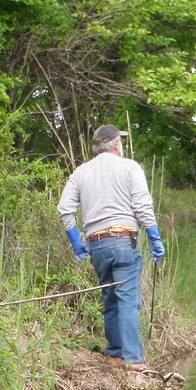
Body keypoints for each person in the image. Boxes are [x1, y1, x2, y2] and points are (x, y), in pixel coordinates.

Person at [57, 124, 165, 372]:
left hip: (97, 245)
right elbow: (142, 205)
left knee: (110, 298)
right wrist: (155, 237)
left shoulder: (80, 172)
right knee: (128, 300)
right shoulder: (129, 167)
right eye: (121, 142)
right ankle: (134, 360)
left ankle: (115, 353)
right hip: (123, 240)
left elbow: (64, 210)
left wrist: (76, 242)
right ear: (116, 143)